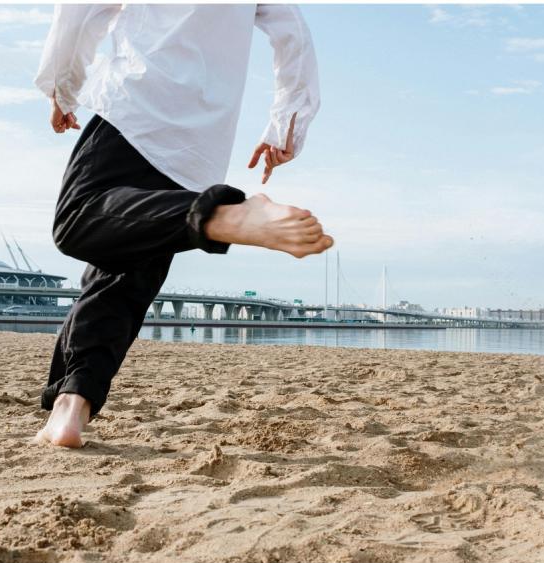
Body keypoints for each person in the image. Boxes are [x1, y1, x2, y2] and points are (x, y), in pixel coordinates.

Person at [32, 3, 333, 448]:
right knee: (120, 274)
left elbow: (81, 7)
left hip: (135, 108)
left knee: (78, 217)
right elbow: (293, 34)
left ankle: (217, 216)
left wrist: (63, 84)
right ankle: (71, 406)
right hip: (201, 145)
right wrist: (286, 124)